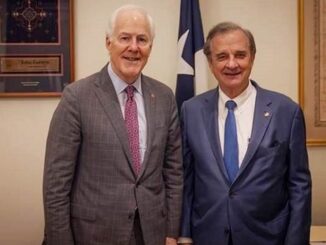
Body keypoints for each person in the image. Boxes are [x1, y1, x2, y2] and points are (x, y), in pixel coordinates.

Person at [43, 5, 183, 245]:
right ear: (108, 42)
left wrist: (171, 232)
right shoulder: (77, 97)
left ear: (151, 46)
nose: (134, 47)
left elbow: (173, 172)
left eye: (142, 39)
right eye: (125, 38)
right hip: (94, 234)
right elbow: (56, 184)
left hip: (152, 233)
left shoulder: (164, 97)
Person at [179, 22, 311, 245]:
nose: (232, 64)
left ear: (252, 58)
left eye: (240, 55)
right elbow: (187, 180)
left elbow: (299, 187)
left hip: (267, 238)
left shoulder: (286, 111)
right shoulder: (190, 111)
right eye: (222, 56)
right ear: (210, 63)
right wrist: (184, 235)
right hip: (208, 236)